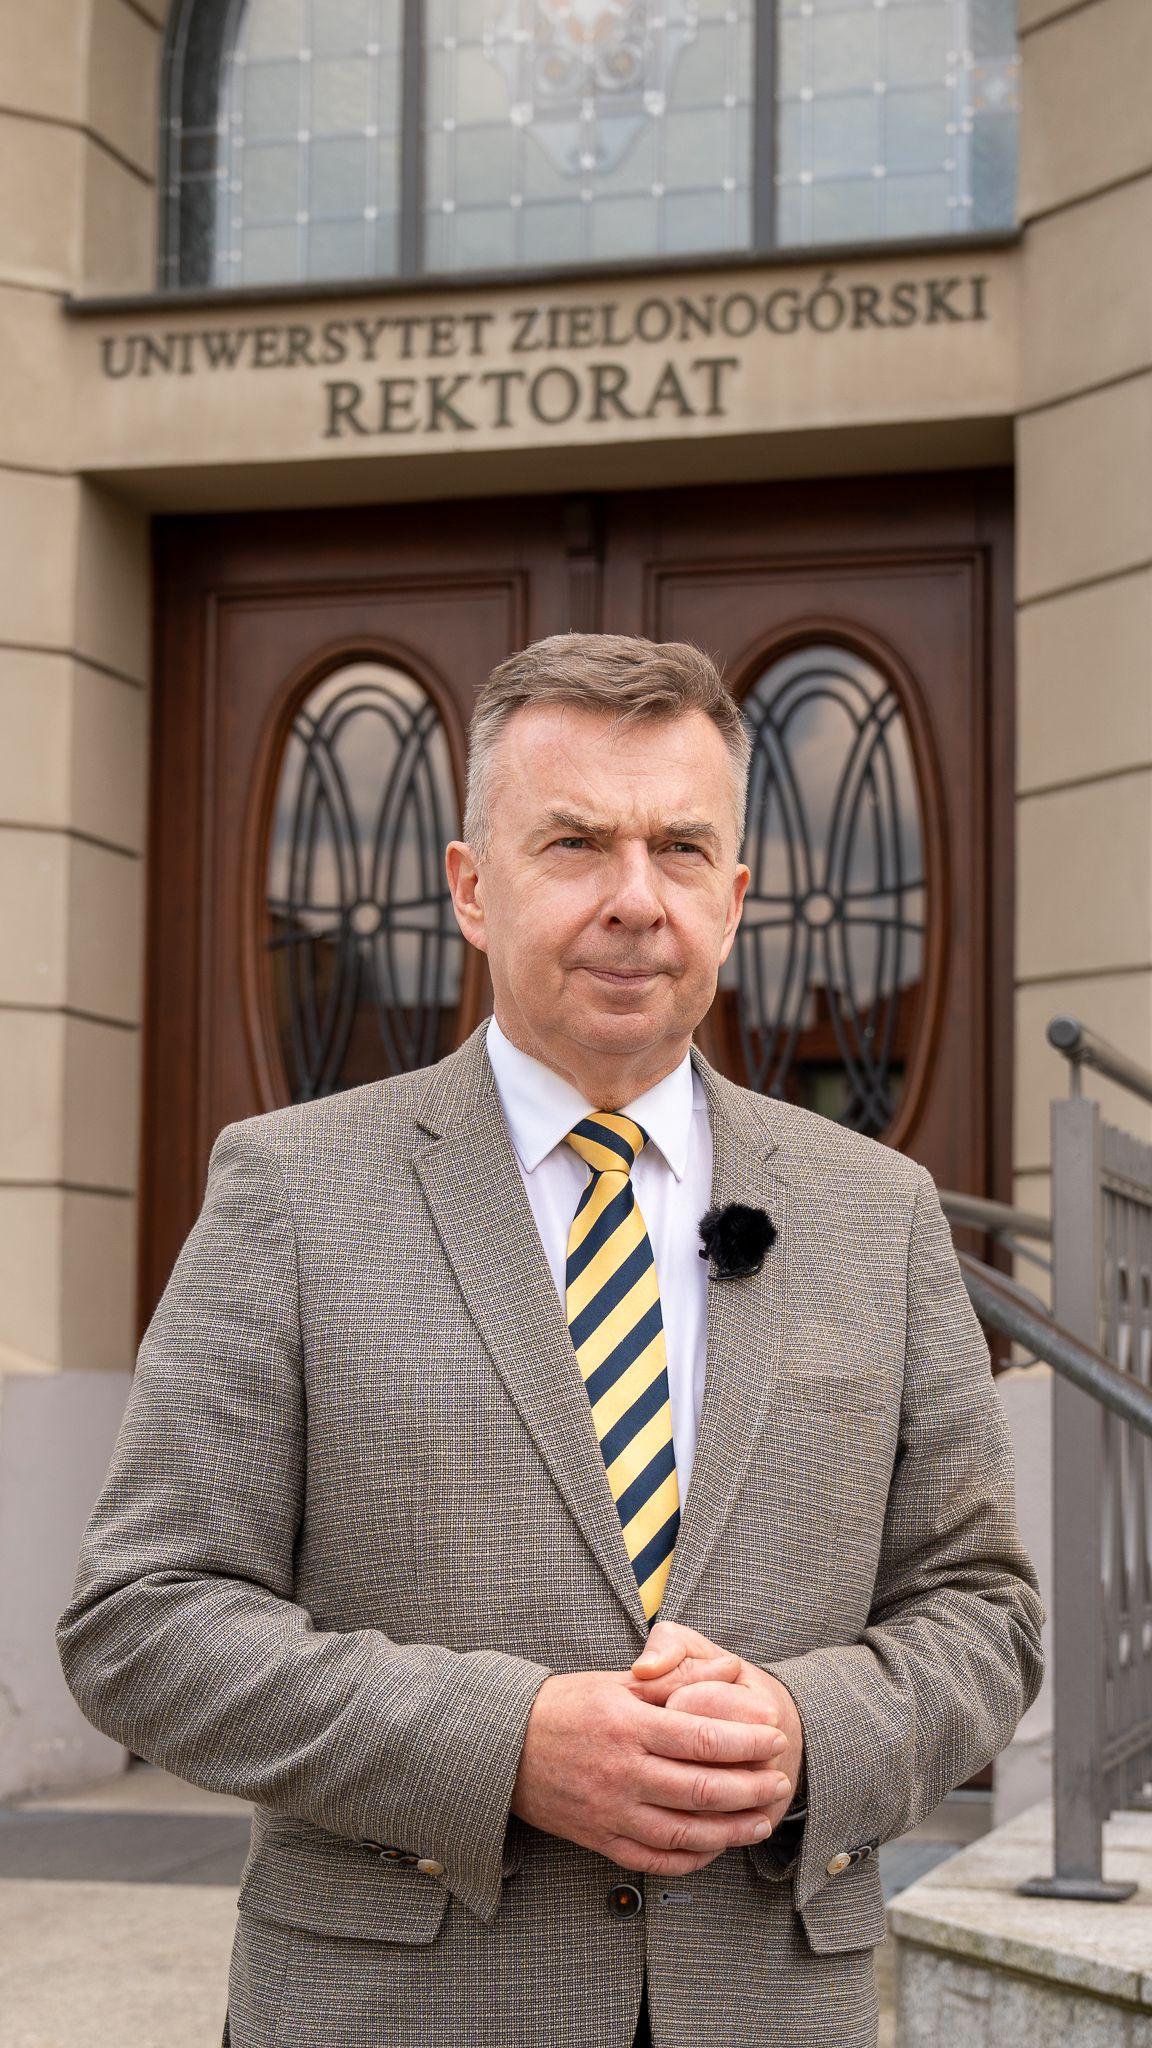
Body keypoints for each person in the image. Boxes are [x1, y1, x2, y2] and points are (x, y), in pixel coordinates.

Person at [57, 633, 1044, 2048]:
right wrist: (503, 1745)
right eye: (575, 843)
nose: (635, 899)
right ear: (473, 888)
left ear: (735, 897)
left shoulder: (876, 1210)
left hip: (767, 2008)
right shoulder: (290, 1190)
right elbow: (141, 1622)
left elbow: (985, 1614)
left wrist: (806, 1730)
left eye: (681, 850)